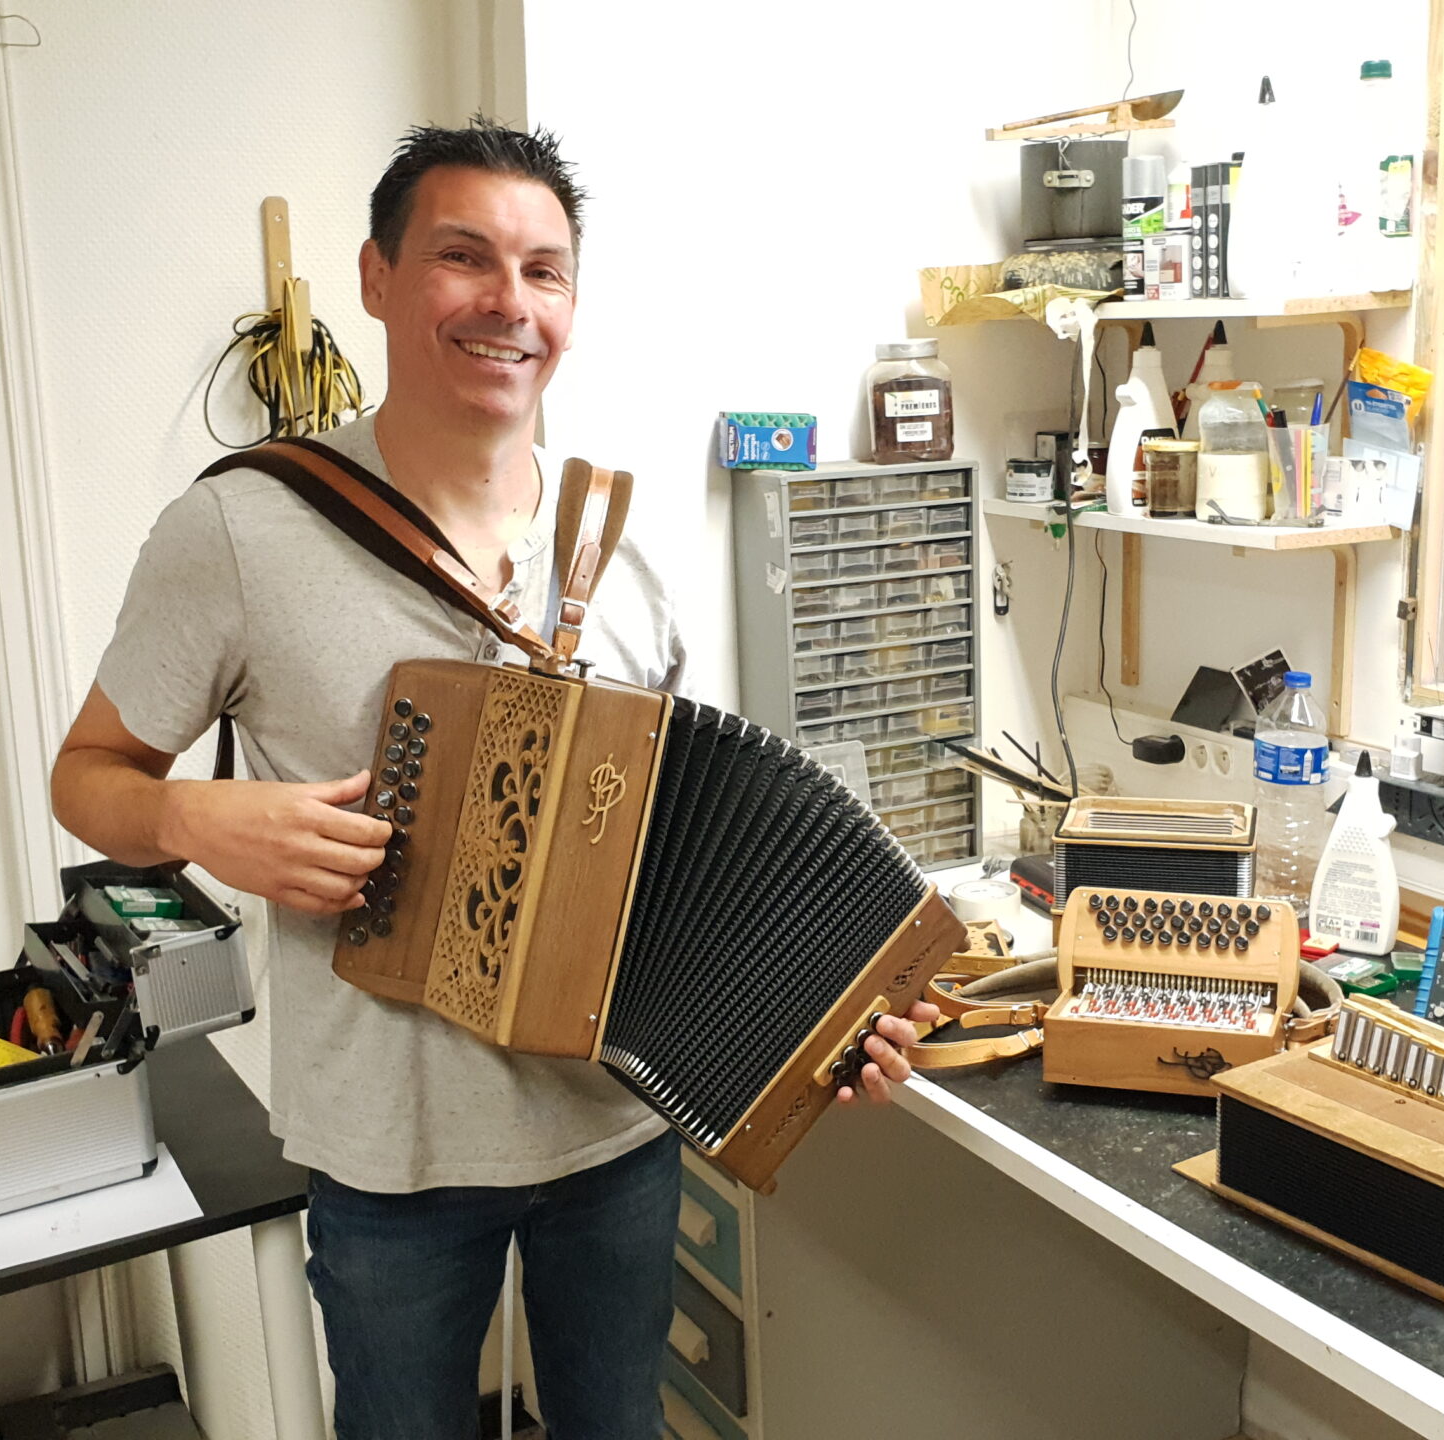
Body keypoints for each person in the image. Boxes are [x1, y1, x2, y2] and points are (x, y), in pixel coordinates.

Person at [50, 118, 939, 1439]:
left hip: (618, 1135)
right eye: (465, 258)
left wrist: (829, 1029)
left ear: (571, 304)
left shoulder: (621, 557)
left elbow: (697, 866)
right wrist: (190, 815)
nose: (507, 303)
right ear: (378, 277)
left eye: (544, 271)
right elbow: (90, 776)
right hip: (391, 1159)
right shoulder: (240, 528)